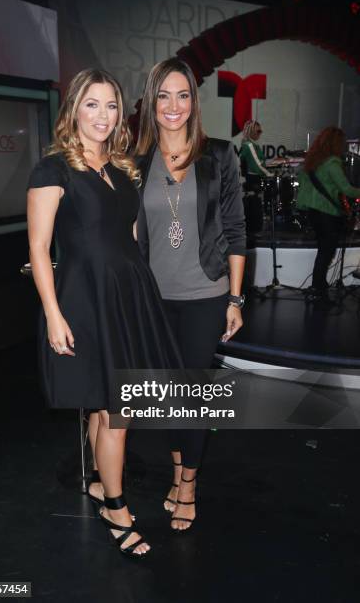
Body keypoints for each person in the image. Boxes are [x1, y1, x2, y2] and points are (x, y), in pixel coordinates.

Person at [27, 68, 182, 557]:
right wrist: (53, 314)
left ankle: (99, 484)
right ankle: (116, 509)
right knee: (120, 410)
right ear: (74, 109)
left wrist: (144, 297)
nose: (102, 115)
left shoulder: (124, 168)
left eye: (111, 105)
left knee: (105, 400)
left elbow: (131, 238)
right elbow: (38, 246)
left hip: (128, 295)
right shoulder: (52, 169)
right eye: (91, 104)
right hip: (83, 298)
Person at [135, 58, 246, 531]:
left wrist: (236, 300)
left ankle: (188, 484)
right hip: (154, 297)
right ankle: (179, 469)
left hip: (205, 293)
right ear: (152, 103)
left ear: (193, 103)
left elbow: (238, 231)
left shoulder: (219, 155)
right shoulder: (136, 161)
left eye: (182, 95)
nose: (173, 106)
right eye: (164, 95)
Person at [297, 126, 360, 303]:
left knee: (323, 251)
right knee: (326, 252)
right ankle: (318, 288)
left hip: (313, 213)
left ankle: (319, 285)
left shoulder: (312, 160)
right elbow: (346, 189)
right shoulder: (332, 162)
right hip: (327, 213)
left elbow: (303, 184)